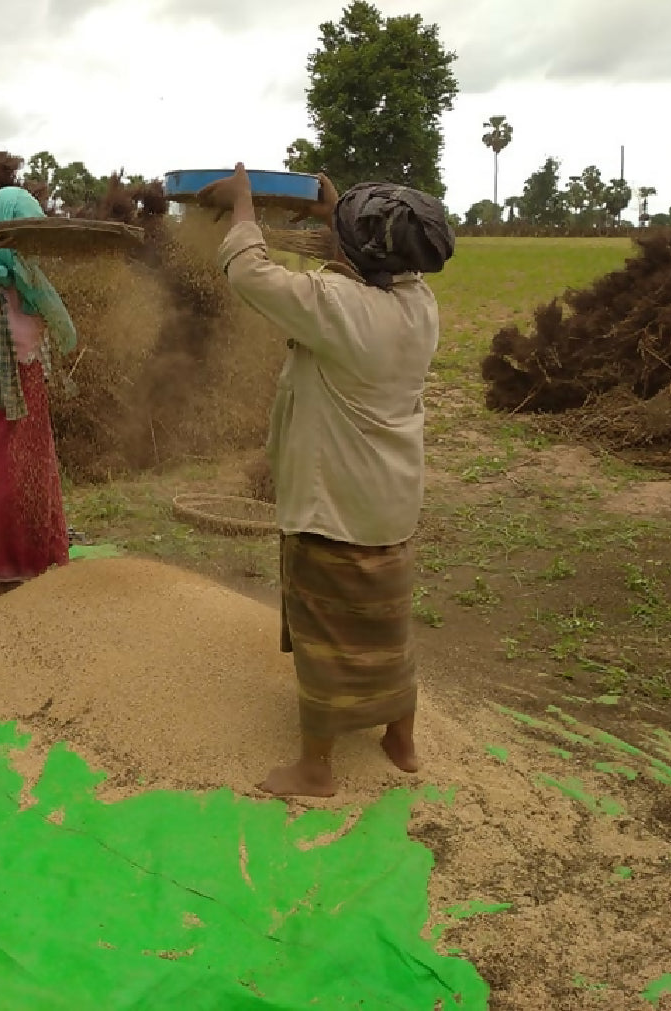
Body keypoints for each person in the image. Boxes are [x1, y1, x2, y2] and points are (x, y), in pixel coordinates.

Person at [198, 164, 455, 799]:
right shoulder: (418, 305)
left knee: (325, 634)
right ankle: (400, 737)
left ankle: (315, 766)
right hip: (389, 501)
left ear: (360, 255)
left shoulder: (337, 308)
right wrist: (337, 212)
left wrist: (243, 204)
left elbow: (250, 272)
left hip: (333, 501)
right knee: (387, 625)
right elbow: (368, 265)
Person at [0, 187, 75, 608]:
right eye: (15, 235)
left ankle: (29, 572)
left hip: (29, 391)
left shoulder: (30, 276)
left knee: (34, 483)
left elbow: (53, 330)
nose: (23, 246)